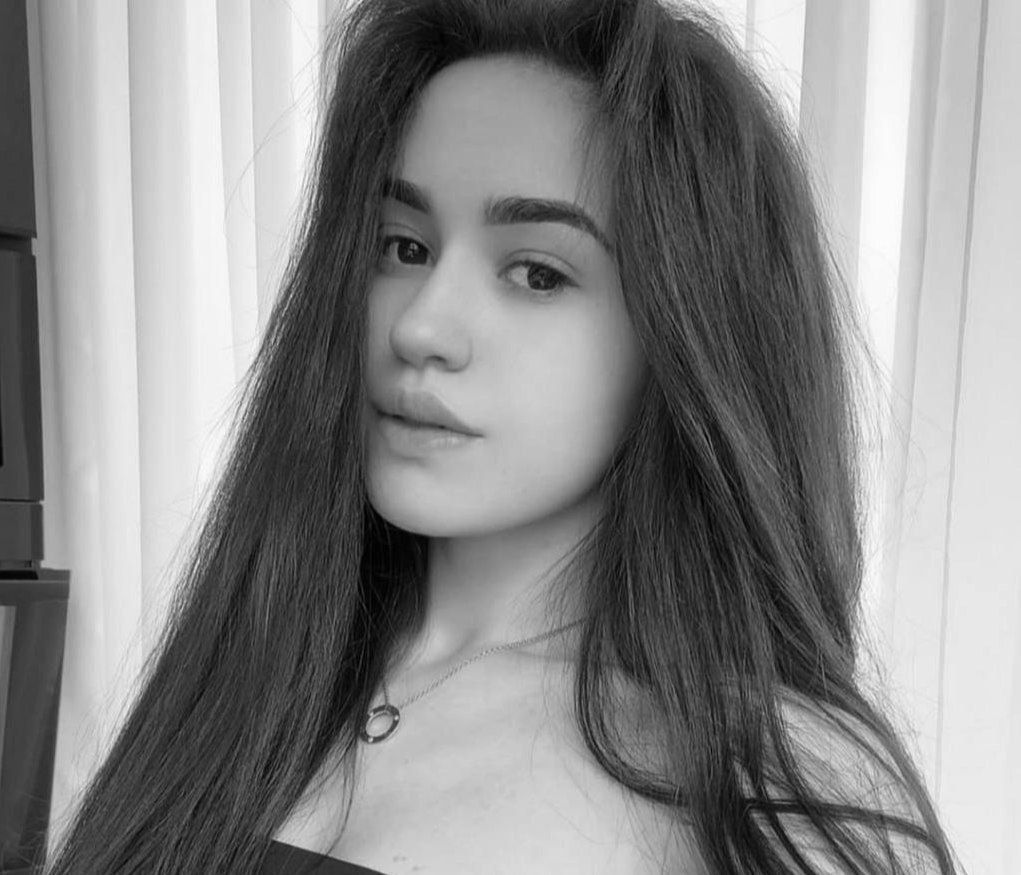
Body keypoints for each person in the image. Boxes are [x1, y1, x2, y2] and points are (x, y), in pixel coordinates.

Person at [41, 0, 960, 872]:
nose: (420, 326)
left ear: (689, 334)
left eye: (535, 273)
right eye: (403, 247)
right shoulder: (249, 675)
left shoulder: (765, 781)